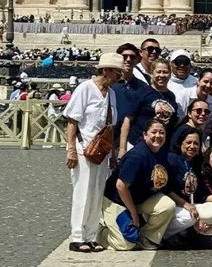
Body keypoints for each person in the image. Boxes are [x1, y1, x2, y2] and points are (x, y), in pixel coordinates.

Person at [64, 52, 123, 253]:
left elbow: (111, 126)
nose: (119, 77)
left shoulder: (112, 94)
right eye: (116, 72)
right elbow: (72, 120)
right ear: (106, 70)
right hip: (84, 148)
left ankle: (90, 236)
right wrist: (71, 149)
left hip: (102, 151)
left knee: (97, 193)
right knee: (83, 193)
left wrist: (112, 154)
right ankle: (77, 237)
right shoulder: (85, 89)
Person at [100, 119, 177, 251]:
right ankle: (98, 232)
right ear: (145, 135)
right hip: (117, 200)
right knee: (125, 245)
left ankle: (145, 237)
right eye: (154, 132)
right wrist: (133, 212)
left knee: (167, 206)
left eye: (161, 132)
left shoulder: (161, 152)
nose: (158, 136)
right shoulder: (137, 155)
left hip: (140, 199)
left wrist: (185, 204)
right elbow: (121, 186)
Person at [120, 59, 178, 157]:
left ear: (170, 74)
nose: (162, 75)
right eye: (158, 72)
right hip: (138, 144)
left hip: (160, 147)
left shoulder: (171, 97)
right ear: (151, 73)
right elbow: (127, 120)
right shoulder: (142, 92)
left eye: (165, 72)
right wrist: (122, 148)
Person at [164, 127, 208, 241]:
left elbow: (202, 191)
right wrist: (185, 205)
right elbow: (166, 189)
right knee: (190, 217)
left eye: (196, 143)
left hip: (186, 205)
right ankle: (162, 235)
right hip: (171, 205)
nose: (192, 146)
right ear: (181, 143)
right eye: (188, 142)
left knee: (210, 210)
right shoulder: (172, 159)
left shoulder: (195, 164)